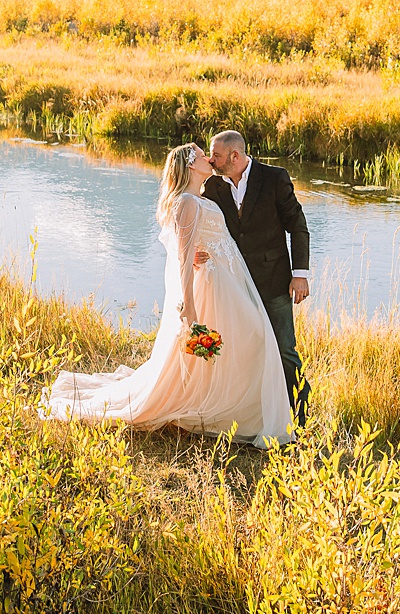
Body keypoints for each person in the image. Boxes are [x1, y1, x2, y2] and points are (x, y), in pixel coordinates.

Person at [44, 143, 293, 447]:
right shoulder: (187, 202)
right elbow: (183, 258)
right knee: (246, 341)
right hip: (210, 291)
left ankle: (239, 411)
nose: (209, 160)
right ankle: (224, 412)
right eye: (203, 156)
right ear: (191, 165)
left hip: (226, 287)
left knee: (250, 341)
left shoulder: (202, 197)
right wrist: (187, 305)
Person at [202, 129, 312, 424]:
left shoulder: (274, 178)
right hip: (233, 284)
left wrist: (299, 275)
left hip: (273, 281)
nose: (211, 160)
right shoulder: (211, 185)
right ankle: (254, 414)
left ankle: (300, 415)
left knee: (284, 348)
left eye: (217, 155)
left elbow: (298, 226)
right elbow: (205, 226)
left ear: (235, 156)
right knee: (243, 349)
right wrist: (200, 253)